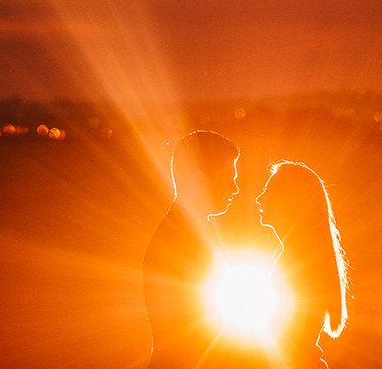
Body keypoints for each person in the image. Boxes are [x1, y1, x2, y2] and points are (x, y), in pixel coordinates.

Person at [143, 130, 241, 369]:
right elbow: (204, 333)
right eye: (229, 177)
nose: (236, 188)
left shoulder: (191, 230)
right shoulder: (181, 241)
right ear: (200, 180)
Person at [256, 161, 349, 369]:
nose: (259, 198)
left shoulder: (302, 264)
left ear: (289, 200)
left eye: (268, 191)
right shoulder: (297, 258)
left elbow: (288, 343)